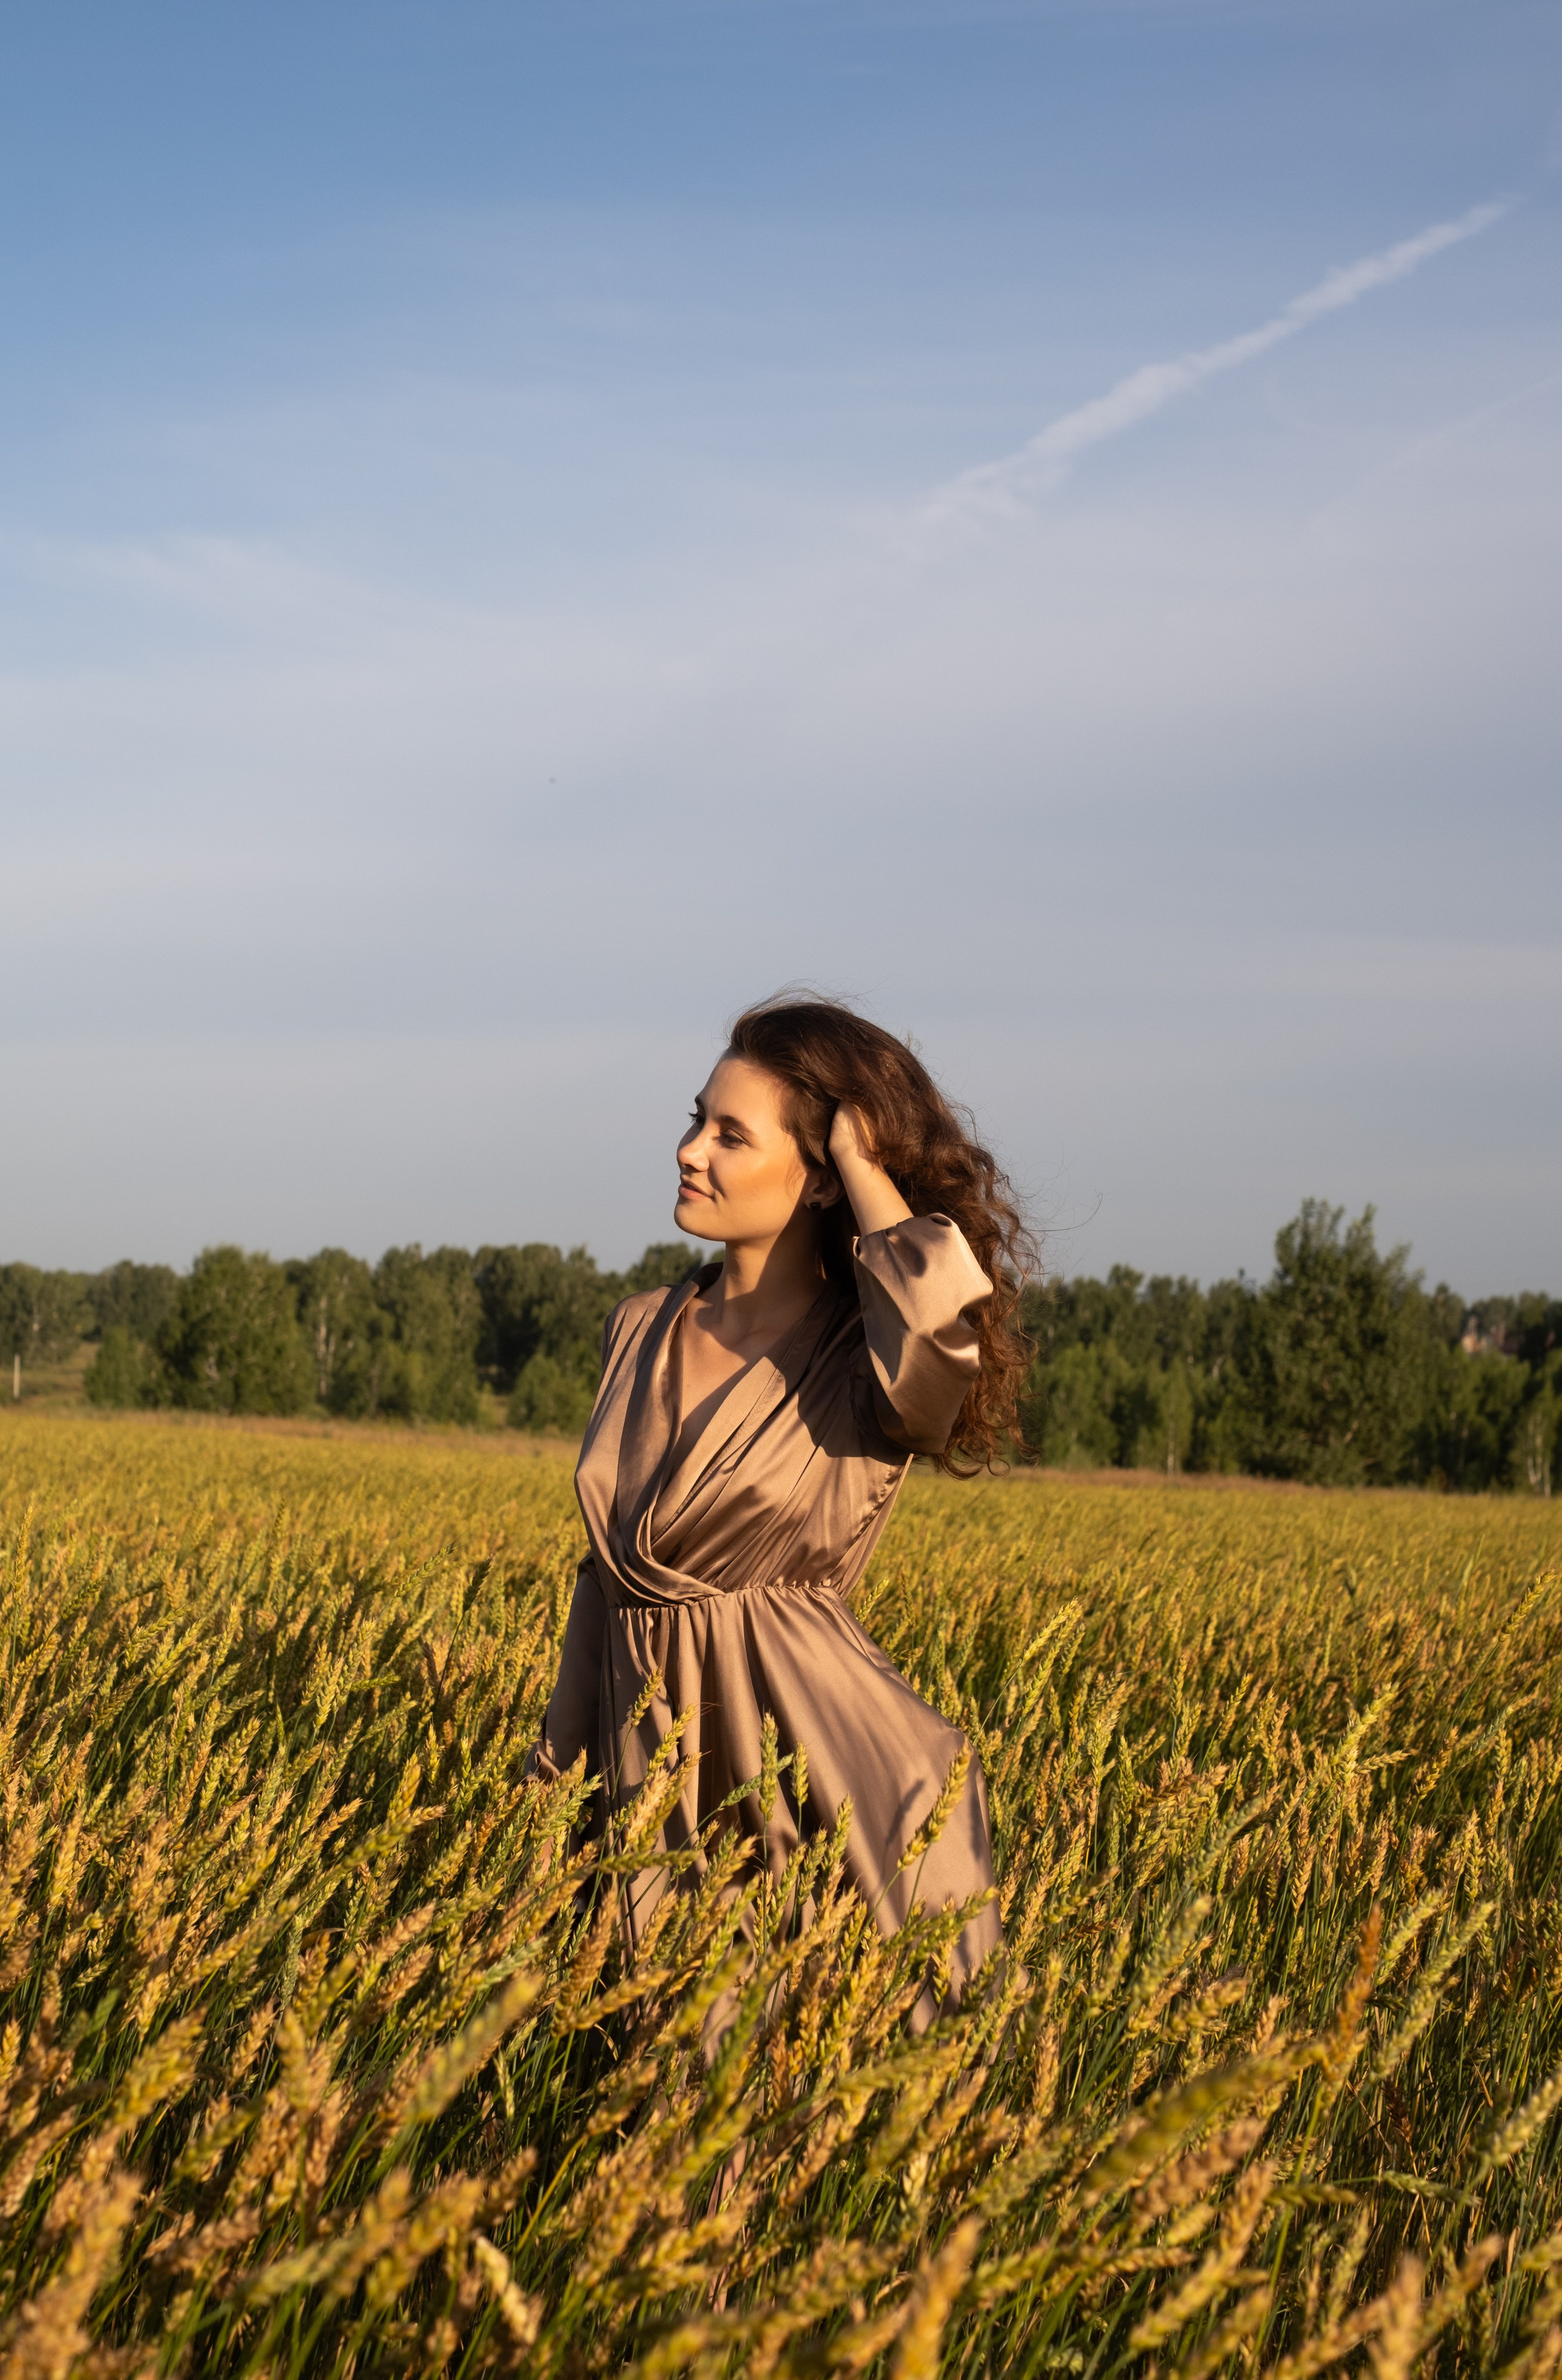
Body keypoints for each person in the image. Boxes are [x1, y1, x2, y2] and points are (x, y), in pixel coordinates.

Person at [528, 992, 1034, 2016]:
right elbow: (605, 1582)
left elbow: (940, 1347)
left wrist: (862, 1162)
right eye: (694, 1120)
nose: (688, 1150)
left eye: (729, 1134)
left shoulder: (866, 1358)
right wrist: (553, 1788)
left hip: (824, 1789)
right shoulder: (638, 1328)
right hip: (647, 1780)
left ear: (809, 1181)